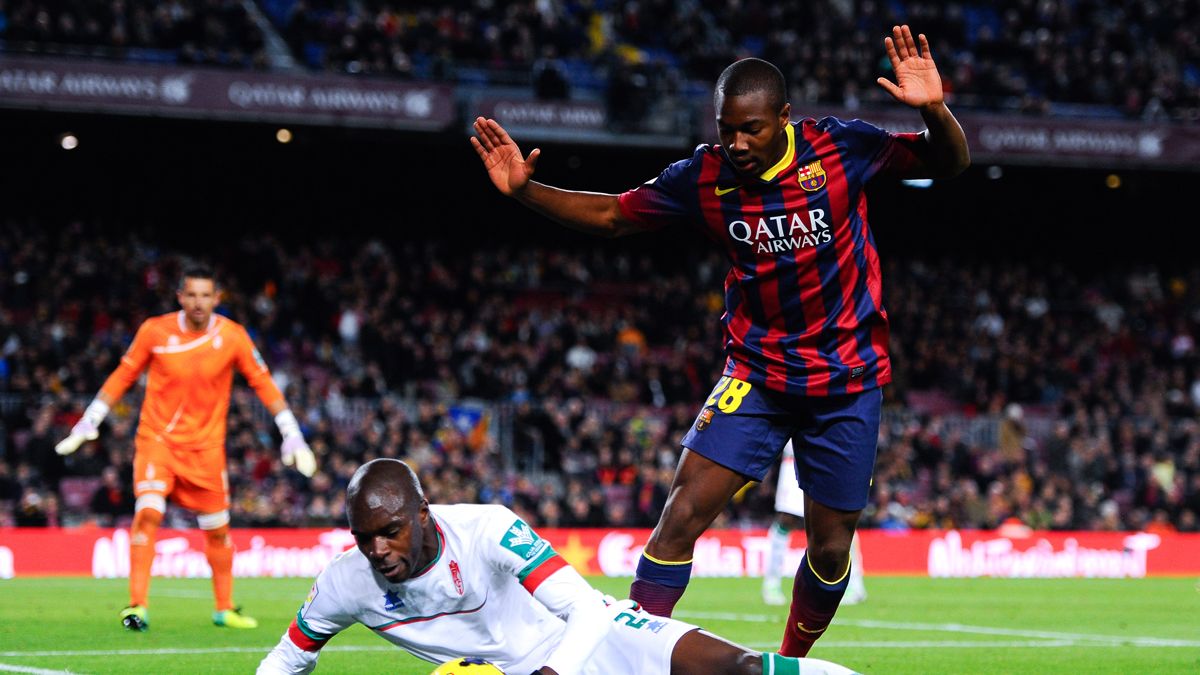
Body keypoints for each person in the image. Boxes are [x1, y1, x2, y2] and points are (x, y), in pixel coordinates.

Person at [471, 24, 969, 657]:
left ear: (784, 118)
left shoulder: (841, 148)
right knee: (679, 516)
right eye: (725, 127)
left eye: (751, 129)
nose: (735, 142)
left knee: (830, 546)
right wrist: (526, 192)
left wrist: (934, 111)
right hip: (757, 376)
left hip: (846, 380)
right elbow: (613, 216)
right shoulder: (701, 178)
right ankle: (634, 661)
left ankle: (788, 664)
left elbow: (949, 163)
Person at [258, 458, 861, 675]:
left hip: (588, 640)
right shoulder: (346, 579)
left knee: (742, 668)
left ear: (424, 513)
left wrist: (553, 674)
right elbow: (289, 657)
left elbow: (582, 610)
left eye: (389, 532)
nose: (377, 551)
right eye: (363, 540)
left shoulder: (486, 528)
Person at [55, 265, 316, 632]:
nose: (198, 302)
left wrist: (292, 434)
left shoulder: (233, 336)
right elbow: (123, 375)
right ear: (180, 297)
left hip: (206, 451)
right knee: (148, 513)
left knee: (218, 532)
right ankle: (137, 606)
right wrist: (89, 420)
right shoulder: (155, 330)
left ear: (217, 299)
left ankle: (224, 609)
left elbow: (264, 383)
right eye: (191, 294)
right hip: (157, 442)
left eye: (205, 295)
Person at [762, 441, 866, 607]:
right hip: (795, 455)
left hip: (829, 453)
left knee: (840, 518)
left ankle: (855, 584)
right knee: (786, 519)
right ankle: (771, 584)